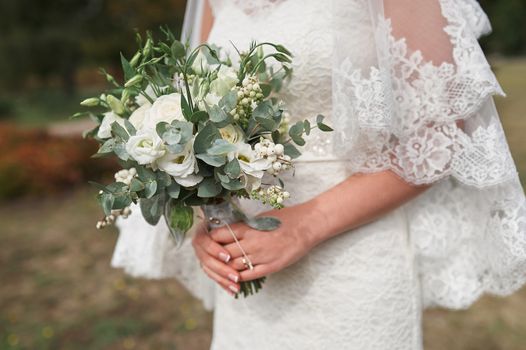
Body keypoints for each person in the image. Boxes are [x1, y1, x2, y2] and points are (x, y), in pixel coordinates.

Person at [112, 1, 526, 348]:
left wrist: (307, 225)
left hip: (354, 255)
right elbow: (196, 116)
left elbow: (437, 137)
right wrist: (208, 214)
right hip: (246, 264)